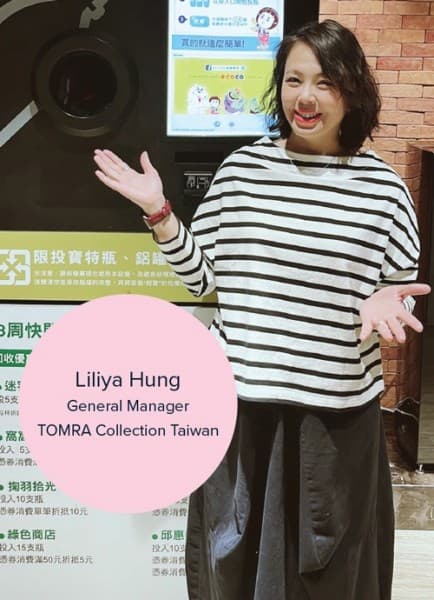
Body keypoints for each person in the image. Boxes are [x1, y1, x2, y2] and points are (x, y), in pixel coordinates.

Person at [93, 19, 430, 600]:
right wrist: (159, 213)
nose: (305, 97)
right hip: (240, 409)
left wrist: (382, 300)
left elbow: (397, 295)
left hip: (335, 420)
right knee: (232, 568)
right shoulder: (244, 171)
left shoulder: (384, 190)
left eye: (324, 82)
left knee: (327, 576)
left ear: (352, 90)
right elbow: (205, 277)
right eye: (294, 80)